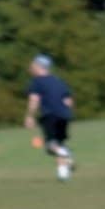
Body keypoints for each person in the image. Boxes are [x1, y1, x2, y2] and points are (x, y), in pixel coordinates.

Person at [23, 54, 77, 182]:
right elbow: (68, 101)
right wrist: (67, 114)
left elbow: (34, 99)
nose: (31, 68)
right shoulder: (59, 81)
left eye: (33, 65)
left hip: (50, 115)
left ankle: (66, 155)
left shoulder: (37, 82)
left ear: (39, 67)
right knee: (60, 144)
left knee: (51, 146)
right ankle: (63, 173)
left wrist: (30, 116)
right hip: (65, 115)